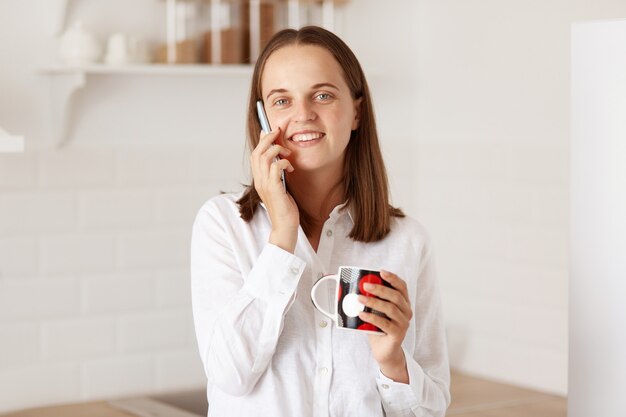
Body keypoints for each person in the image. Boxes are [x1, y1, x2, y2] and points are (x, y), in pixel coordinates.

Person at [191, 26, 450, 417]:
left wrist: (392, 361)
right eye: (282, 101)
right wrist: (282, 234)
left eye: (323, 95)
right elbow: (230, 374)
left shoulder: (407, 241)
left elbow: (430, 411)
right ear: (262, 118)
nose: (303, 115)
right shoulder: (223, 225)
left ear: (357, 110)